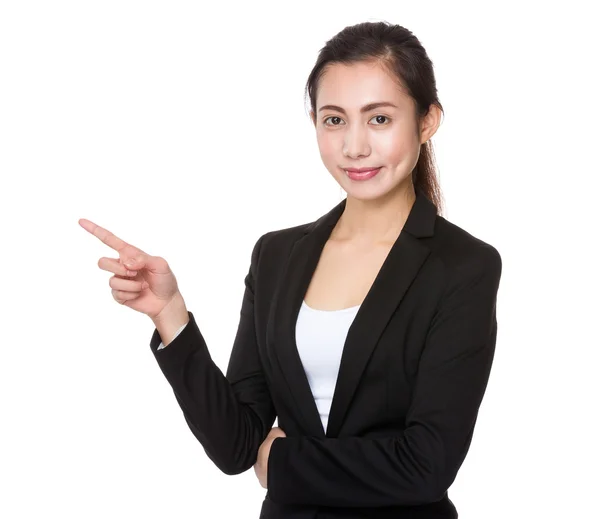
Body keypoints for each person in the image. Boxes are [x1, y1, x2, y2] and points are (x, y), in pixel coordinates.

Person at [80, 21, 502, 519]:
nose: (355, 147)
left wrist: (282, 462)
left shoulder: (463, 266)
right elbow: (237, 444)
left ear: (427, 121)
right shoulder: (276, 256)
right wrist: (170, 314)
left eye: (380, 119)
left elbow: (427, 464)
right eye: (334, 120)